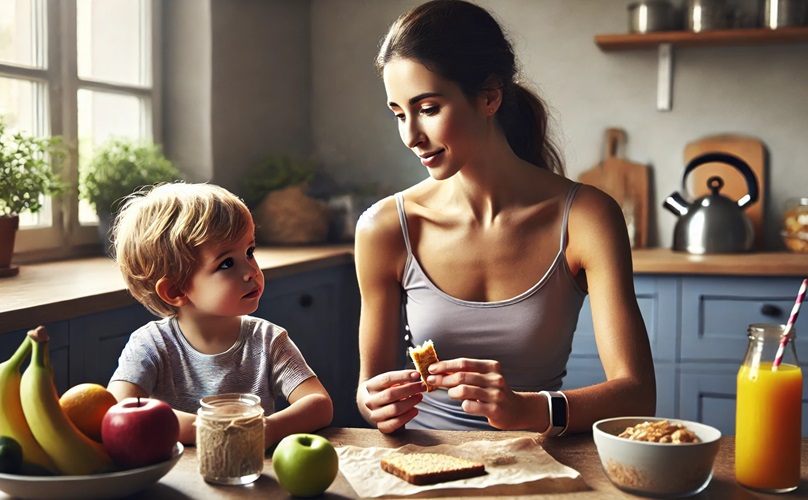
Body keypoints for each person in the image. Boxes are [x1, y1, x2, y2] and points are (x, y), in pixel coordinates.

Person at [355, 0, 655, 435]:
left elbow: (638, 394)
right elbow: (370, 390)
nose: (411, 136)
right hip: (420, 470)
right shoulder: (384, 228)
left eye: (428, 108)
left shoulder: (586, 218)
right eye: (399, 114)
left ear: (490, 96)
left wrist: (528, 410)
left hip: (538, 465)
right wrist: (374, 403)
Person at [107, 182, 333, 447]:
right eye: (227, 263)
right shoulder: (150, 345)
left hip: (250, 475)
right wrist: (212, 429)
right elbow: (119, 405)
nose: (252, 271)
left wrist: (266, 429)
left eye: (249, 252)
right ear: (175, 290)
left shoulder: (268, 341)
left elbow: (319, 404)